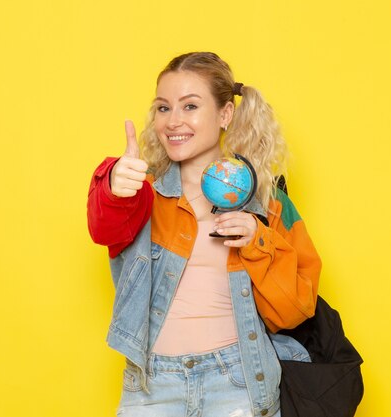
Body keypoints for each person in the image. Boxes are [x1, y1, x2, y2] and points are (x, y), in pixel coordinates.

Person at [87, 52, 322, 417]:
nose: (173, 121)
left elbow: (293, 313)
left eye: (190, 106)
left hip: (239, 384)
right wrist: (114, 186)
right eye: (163, 108)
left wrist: (258, 242)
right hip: (153, 388)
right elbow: (104, 228)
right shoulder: (138, 192)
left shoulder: (269, 204)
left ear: (225, 114)